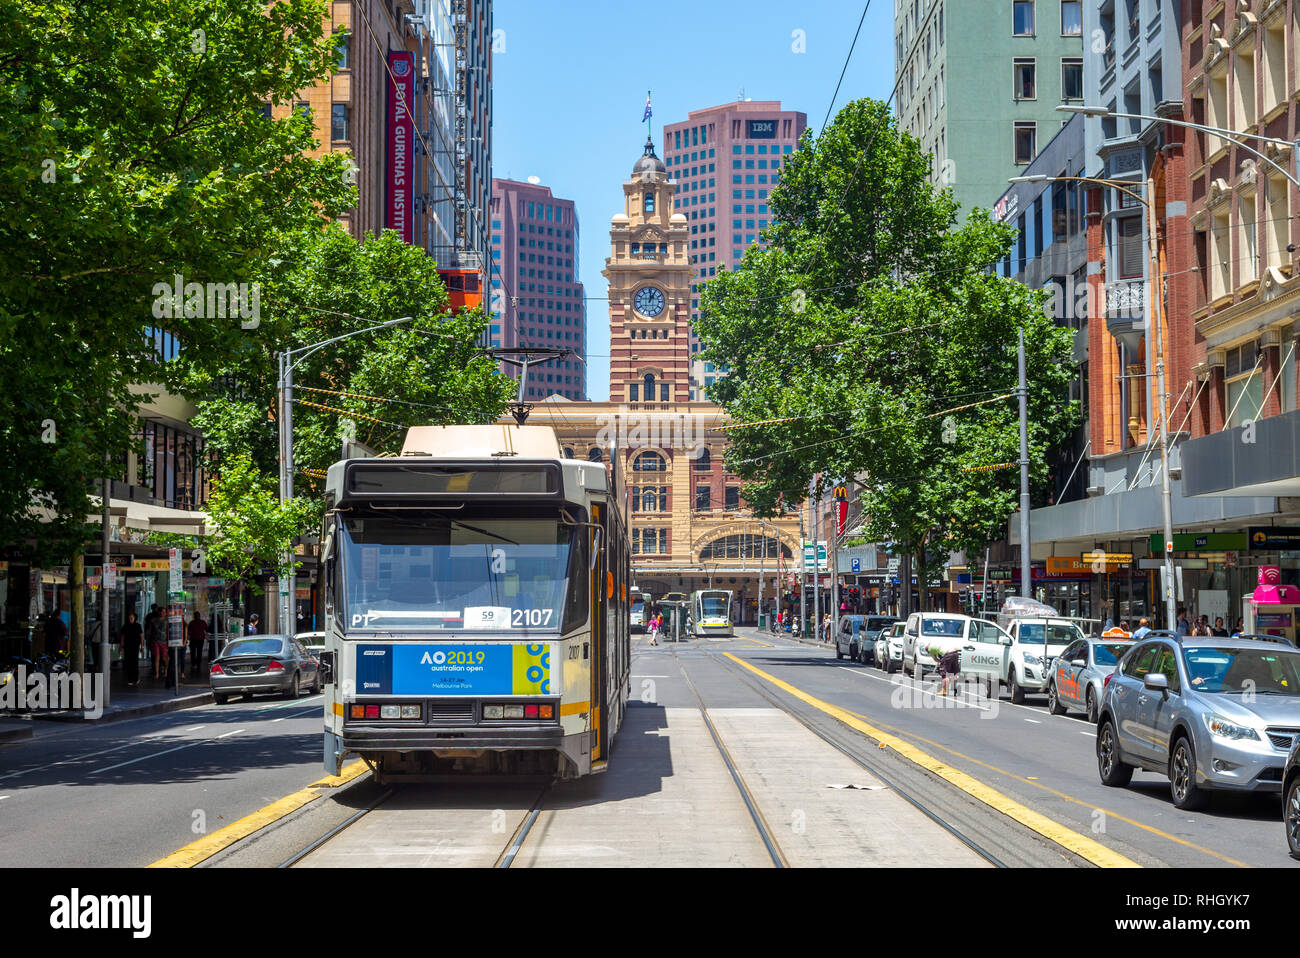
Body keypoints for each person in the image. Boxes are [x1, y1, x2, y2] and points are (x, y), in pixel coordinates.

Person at [120, 612, 143, 687]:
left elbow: (141, 637)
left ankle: (136, 678)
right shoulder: (125, 626)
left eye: (132, 617)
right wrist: (121, 645)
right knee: (128, 663)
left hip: (135, 646)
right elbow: (123, 636)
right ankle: (130, 679)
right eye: (129, 617)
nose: (130, 619)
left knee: (135, 662)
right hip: (127, 646)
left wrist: (142, 647)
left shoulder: (138, 626)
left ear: (135, 618)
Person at [146, 605, 168, 680]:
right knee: (157, 657)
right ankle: (157, 673)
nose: (163, 613)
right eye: (162, 611)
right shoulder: (153, 620)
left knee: (164, 657)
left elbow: (168, 631)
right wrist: (148, 640)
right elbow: (149, 631)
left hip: (164, 641)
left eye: (165, 612)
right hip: (155, 640)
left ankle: (166, 670)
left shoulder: (167, 620)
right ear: (159, 612)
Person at [188, 610, 208, 676]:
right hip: (200, 640)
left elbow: (188, 631)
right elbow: (207, 629)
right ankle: (198, 665)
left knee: (193, 652)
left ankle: (194, 664)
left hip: (193, 639)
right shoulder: (203, 622)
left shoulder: (191, 622)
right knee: (199, 652)